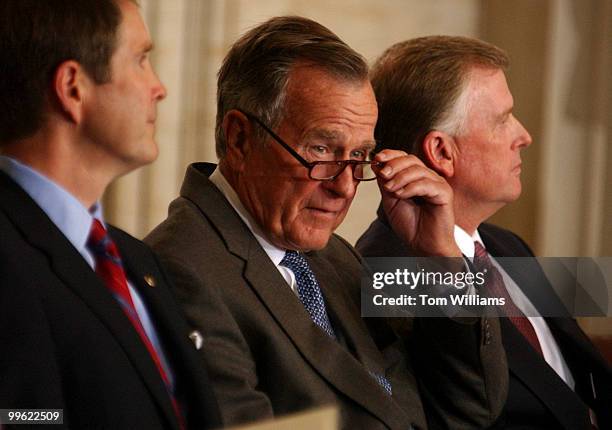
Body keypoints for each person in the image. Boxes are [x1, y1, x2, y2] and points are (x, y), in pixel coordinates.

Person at [146, 17, 506, 429]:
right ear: (240, 139)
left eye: (358, 158)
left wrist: (439, 258)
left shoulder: (333, 256)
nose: (345, 188)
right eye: (321, 150)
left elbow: (472, 407)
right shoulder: (181, 268)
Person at [356, 35, 612, 429]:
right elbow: (461, 413)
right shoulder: (385, 272)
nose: (523, 135)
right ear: (442, 152)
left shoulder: (504, 245)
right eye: (502, 120)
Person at [0, 1, 221, 428]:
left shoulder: (135, 259)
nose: (159, 87)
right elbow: (23, 419)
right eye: (140, 59)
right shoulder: (8, 259)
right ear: (73, 88)